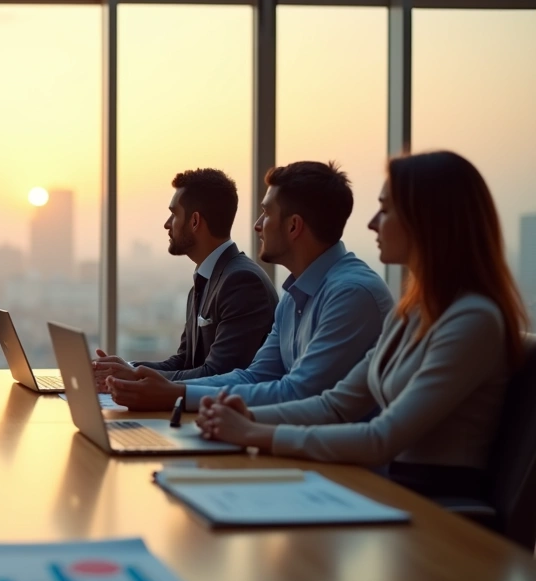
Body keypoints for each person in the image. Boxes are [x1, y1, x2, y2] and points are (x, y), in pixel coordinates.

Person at [197, 151, 528, 498]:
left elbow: (381, 438)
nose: (372, 222)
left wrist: (252, 432)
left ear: (427, 221)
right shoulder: (413, 313)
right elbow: (335, 406)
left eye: (385, 210)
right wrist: (244, 415)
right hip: (387, 492)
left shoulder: (473, 320)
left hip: (434, 514)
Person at [101, 161, 394, 411]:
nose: (257, 225)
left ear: (293, 226)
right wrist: (153, 383)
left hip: (345, 470)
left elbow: (298, 393)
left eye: (266, 213)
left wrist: (173, 393)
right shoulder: (295, 297)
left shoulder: (351, 294)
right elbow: (255, 377)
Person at [93, 168, 276, 381]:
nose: (167, 224)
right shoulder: (206, 280)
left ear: (195, 221)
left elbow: (217, 374)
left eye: (174, 213)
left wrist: (134, 376)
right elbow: (184, 361)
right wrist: (125, 368)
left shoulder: (242, 282)